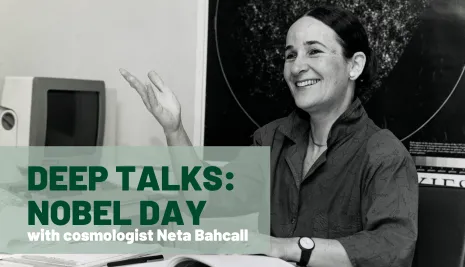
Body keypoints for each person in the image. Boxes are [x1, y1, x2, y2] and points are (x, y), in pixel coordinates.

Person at [119, 5, 419, 267]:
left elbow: (392, 250)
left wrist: (284, 247)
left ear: (354, 65)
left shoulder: (384, 154)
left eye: (314, 51)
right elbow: (208, 199)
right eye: (290, 55)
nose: (298, 66)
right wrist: (174, 128)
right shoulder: (272, 139)